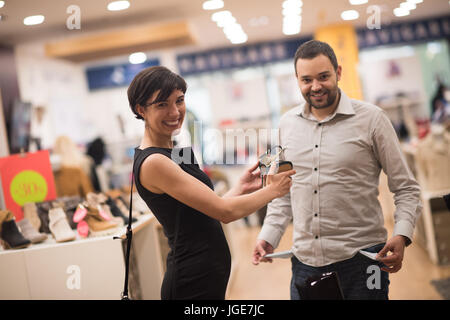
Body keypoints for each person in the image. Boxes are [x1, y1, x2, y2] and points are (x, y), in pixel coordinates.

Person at [252, 40, 422, 300]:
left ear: (338, 72)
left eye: (323, 77)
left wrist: (402, 234)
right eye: (306, 80)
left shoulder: (373, 119)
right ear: (297, 80)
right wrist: (268, 236)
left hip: (364, 262)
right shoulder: (284, 125)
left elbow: (406, 187)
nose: (316, 86)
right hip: (304, 264)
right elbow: (280, 193)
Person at [127, 66, 295, 300]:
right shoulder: (154, 161)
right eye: (161, 104)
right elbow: (224, 212)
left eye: (179, 100)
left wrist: (240, 188)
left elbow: (203, 213)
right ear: (140, 109)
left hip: (208, 275)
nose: (175, 112)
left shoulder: (174, 150)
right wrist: (274, 190)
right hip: (191, 282)